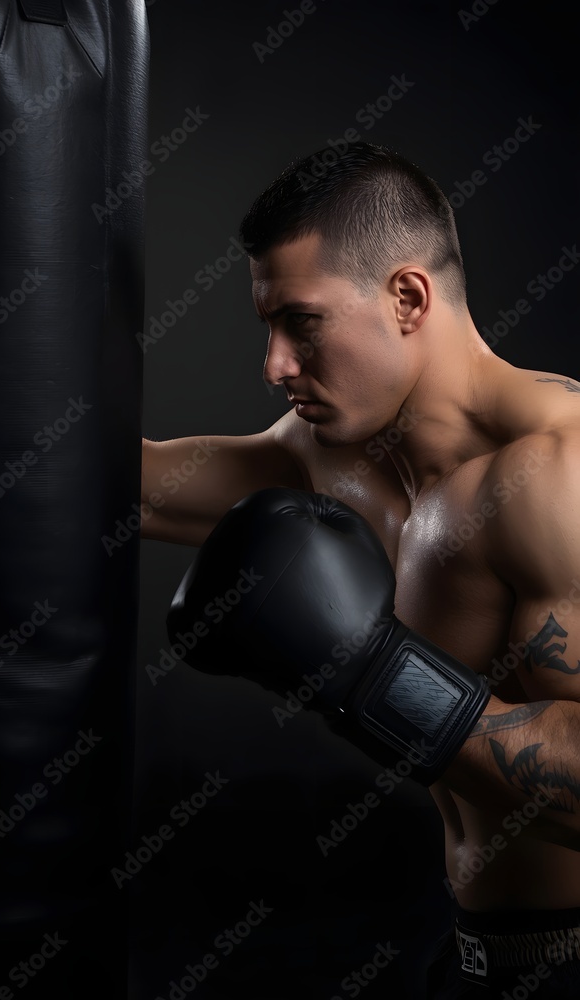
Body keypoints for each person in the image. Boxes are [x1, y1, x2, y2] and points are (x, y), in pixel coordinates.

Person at [141, 142, 580, 996]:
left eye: (301, 323)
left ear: (407, 298)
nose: (274, 364)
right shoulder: (330, 455)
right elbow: (127, 486)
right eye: (268, 328)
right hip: (467, 954)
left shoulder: (556, 476)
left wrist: (373, 672)